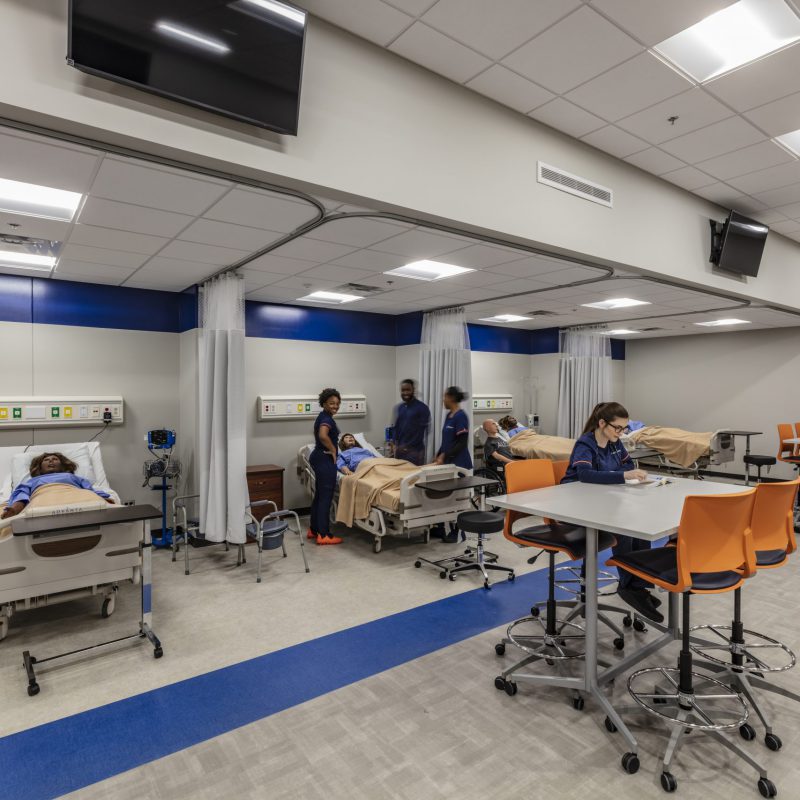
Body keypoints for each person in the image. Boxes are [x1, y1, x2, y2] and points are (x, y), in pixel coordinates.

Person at [561, 401, 662, 623]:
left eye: (624, 428)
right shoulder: (585, 444)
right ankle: (629, 586)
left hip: (603, 501)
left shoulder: (616, 444)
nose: (621, 432)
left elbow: (626, 465)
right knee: (623, 530)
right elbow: (585, 475)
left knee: (640, 526)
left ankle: (638, 586)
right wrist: (623, 476)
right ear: (602, 423)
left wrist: (630, 473)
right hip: (574, 507)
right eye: (618, 428)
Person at [1, 452, 113, 519]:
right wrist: (15, 509)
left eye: (55, 459)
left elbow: (90, 491)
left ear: (62, 465)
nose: (51, 461)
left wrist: (104, 499)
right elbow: (22, 495)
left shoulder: (73, 477)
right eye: (46, 460)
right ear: (39, 467)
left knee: (95, 501)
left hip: (77, 495)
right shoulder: (32, 481)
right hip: (44, 497)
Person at [430, 386, 472, 543]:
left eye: (444, 397)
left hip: (459, 464)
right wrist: (438, 454)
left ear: (451, 398)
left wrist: (444, 455)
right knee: (442, 497)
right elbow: (447, 440)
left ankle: (457, 533)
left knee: (455, 500)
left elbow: (461, 443)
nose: (443, 400)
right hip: (447, 463)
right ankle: (440, 528)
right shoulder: (449, 415)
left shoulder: (461, 416)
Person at [309, 388, 344, 545]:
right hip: (324, 459)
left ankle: (314, 530)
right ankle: (323, 535)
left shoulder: (324, 416)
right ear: (324, 403)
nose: (335, 406)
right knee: (325, 498)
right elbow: (323, 435)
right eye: (331, 403)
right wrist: (332, 449)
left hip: (318, 457)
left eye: (337, 403)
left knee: (319, 496)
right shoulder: (327, 419)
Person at [392, 379, 430, 466]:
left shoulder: (422, 408)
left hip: (415, 452)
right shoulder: (399, 408)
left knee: (414, 478)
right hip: (400, 452)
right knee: (400, 477)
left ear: (413, 390)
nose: (405, 393)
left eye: (408, 390)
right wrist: (393, 443)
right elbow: (396, 427)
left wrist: (407, 447)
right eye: (403, 390)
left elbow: (421, 431)